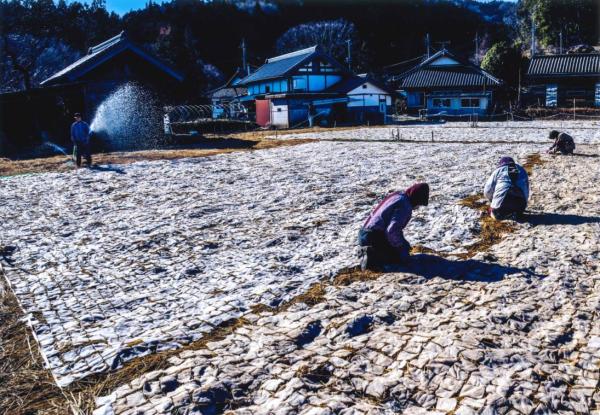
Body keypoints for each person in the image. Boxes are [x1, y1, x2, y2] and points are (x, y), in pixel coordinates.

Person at [358, 183, 429, 271]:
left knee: (398, 249)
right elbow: (392, 231)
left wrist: (403, 242)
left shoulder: (399, 196)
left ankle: (373, 252)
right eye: (419, 204)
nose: (417, 207)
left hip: (364, 233)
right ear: (416, 199)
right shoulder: (405, 206)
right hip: (373, 237)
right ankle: (372, 255)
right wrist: (401, 247)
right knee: (396, 259)